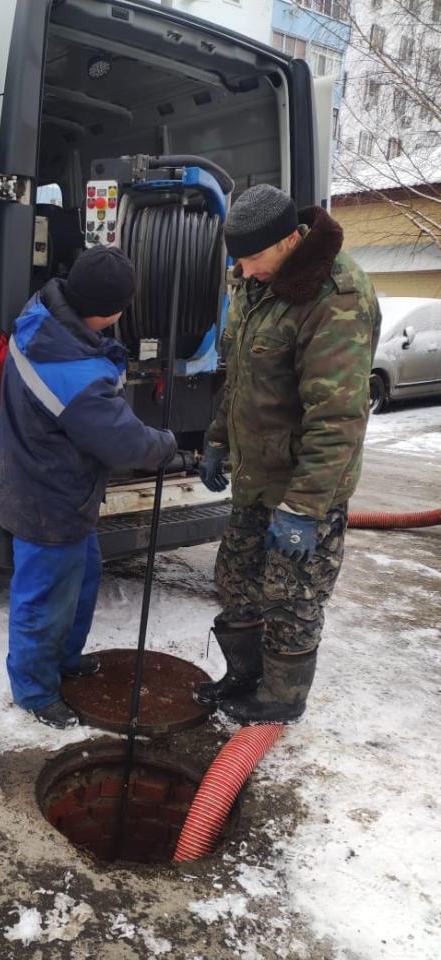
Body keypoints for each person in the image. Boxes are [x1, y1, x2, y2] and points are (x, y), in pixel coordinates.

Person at [196, 184, 381, 724]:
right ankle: (244, 676)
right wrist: (215, 439)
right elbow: (239, 377)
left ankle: (280, 700)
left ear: (286, 242)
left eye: (252, 259)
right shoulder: (255, 285)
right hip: (256, 475)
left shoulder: (335, 298)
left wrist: (303, 508)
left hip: (305, 488)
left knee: (292, 597)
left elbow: (337, 419)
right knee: (236, 581)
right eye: (239, 261)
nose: (245, 271)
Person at [0, 245, 177, 729]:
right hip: (48, 500)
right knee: (44, 599)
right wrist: (167, 446)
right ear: (112, 310)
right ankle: (35, 691)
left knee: (82, 579)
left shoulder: (44, 315)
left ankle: (64, 659)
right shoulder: (71, 372)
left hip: (54, 486)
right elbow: (123, 441)